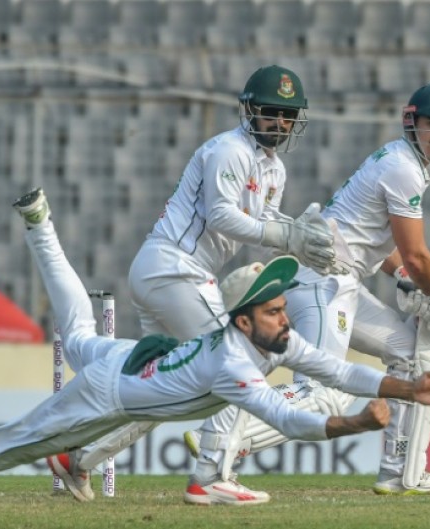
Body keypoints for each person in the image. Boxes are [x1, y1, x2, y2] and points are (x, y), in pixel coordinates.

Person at [0, 189, 430, 514]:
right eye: (274, 310)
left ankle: (40, 225)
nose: (287, 318)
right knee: (0, 448)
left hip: (129, 358)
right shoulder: (232, 364)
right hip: (106, 397)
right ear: (243, 320)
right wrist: (356, 423)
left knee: (77, 329)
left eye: (282, 307)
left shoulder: (268, 336)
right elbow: (289, 419)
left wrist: (410, 388)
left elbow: (335, 368)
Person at [44, 64, 348, 501]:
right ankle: (210, 476)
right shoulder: (229, 150)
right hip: (173, 268)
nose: (280, 123)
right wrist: (287, 235)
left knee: (159, 391)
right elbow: (222, 215)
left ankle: (77, 458)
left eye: (288, 115)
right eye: (271, 112)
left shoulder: (275, 170)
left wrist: (298, 237)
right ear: (250, 110)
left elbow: (261, 226)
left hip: (174, 274)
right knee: (238, 359)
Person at [183, 83, 430, 497]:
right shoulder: (403, 167)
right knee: (324, 396)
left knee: (412, 352)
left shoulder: (402, 160)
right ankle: (223, 433)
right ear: (412, 122)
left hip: (341, 281)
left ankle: (402, 472)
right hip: (324, 280)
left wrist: (402, 275)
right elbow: (417, 254)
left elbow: (372, 240)